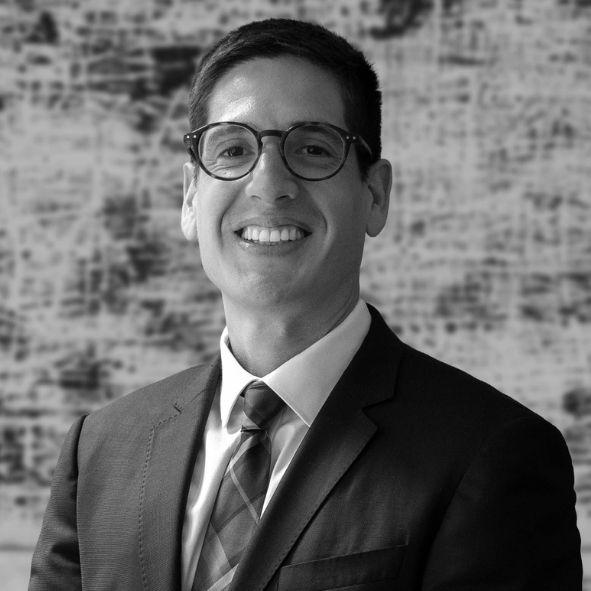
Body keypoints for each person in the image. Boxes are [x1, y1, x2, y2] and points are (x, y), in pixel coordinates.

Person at [29, 18, 582, 591]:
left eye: (313, 149)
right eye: (233, 149)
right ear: (191, 196)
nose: (269, 184)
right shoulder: (100, 451)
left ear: (375, 194)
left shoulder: (490, 453)